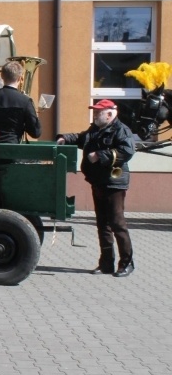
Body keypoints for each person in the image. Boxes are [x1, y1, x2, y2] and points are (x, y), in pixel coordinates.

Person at [56, 99, 136, 277]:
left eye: (99, 112)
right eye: (95, 111)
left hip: (114, 183)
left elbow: (127, 151)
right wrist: (63, 138)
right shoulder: (95, 129)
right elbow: (81, 138)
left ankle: (127, 263)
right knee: (103, 224)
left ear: (110, 114)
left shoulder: (121, 130)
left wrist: (100, 155)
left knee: (117, 223)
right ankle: (106, 263)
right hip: (98, 181)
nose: (95, 115)